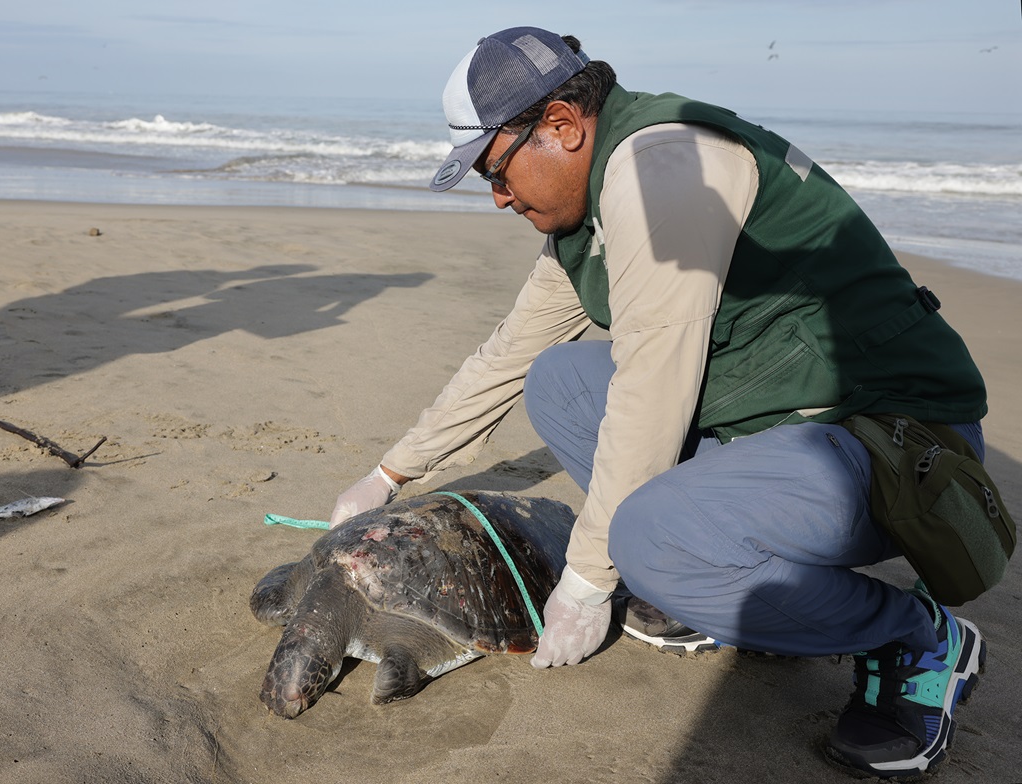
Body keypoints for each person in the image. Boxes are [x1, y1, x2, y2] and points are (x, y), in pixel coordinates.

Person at [329, 27, 988, 779]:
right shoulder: (592, 214)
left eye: (496, 169)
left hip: (892, 439)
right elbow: (506, 357)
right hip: (784, 422)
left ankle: (915, 639)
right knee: (558, 379)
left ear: (563, 126)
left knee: (642, 541)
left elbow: (653, 387)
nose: (499, 195)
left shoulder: (663, 173)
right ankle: (708, 580)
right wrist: (389, 474)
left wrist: (586, 581)